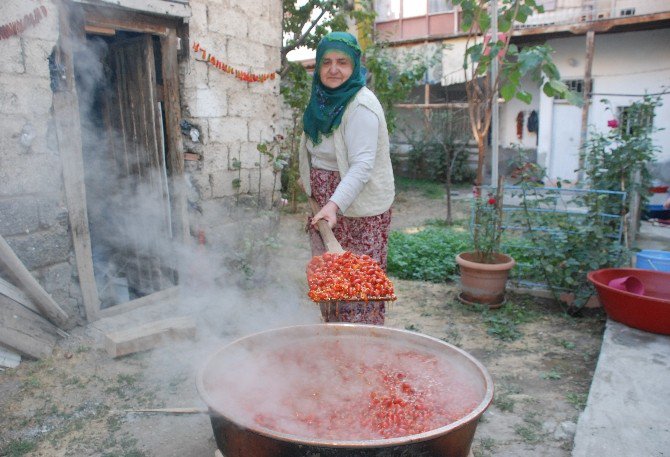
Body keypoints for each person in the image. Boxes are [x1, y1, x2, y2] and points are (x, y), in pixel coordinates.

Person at [298, 31, 394, 325]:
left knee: (359, 288)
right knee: (330, 282)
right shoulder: (322, 101)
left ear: (355, 66)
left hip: (357, 209)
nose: (333, 69)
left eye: (342, 62)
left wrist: (334, 204)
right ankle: (335, 343)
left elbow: (362, 165)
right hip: (325, 207)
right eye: (326, 62)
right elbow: (315, 151)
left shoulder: (360, 106)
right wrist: (311, 184)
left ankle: (362, 354)